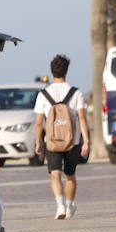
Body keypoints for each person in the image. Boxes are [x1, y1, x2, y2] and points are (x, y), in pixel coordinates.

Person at [33, 54, 91, 219]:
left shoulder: (43, 94)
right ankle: (70, 204)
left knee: (55, 174)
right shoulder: (76, 93)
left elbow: (38, 122)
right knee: (70, 175)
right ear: (67, 71)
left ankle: (60, 206)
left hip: (52, 141)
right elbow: (82, 118)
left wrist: (38, 141)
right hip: (73, 141)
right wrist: (86, 141)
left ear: (52, 72)